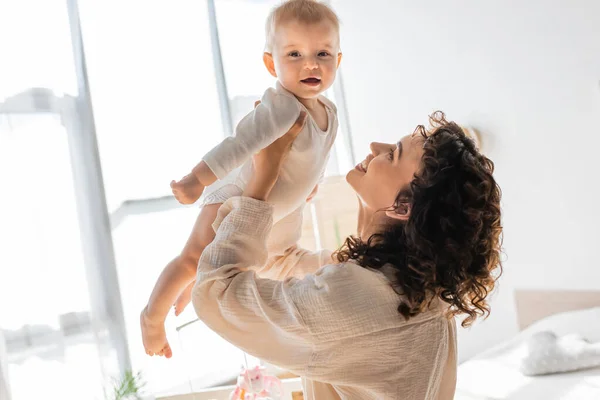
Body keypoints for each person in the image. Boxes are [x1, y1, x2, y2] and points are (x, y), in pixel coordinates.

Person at [190, 111, 503, 399]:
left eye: (392, 154)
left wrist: (262, 179)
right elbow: (282, 264)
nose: (374, 146)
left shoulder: (358, 297)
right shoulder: (417, 289)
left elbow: (215, 294)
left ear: (403, 206)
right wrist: (290, 186)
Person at [140, 0, 343, 358]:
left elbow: (320, 153)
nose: (311, 63)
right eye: (294, 54)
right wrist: (196, 179)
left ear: (338, 60)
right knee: (192, 258)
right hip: (236, 198)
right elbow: (239, 145)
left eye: (322, 53)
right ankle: (152, 319)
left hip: (277, 210)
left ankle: (199, 280)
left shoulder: (329, 111)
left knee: (269, 265)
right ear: (271, 63)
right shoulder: (281, 106)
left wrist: (313, 185)